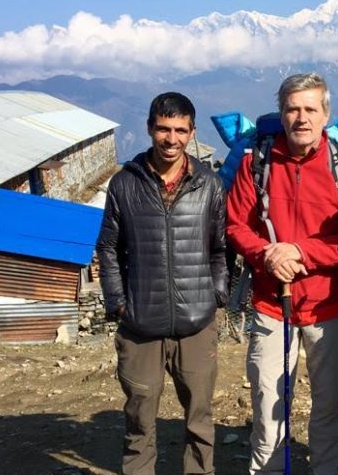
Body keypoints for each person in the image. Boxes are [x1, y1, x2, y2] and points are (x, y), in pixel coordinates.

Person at [226, 72, 338, 474]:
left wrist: (298, 252)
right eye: (292, 109)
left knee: (328, 403)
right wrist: (268, 255)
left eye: (310, 109)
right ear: (281, 113)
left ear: (325, 115)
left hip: (327, 305)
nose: (301, 118)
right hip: (272, 303)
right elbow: (236, 225)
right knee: (268, 402)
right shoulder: (257, 164)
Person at [96, 92, 229, 474]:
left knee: (200, 419)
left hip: (196, 323)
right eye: (163, 129)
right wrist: (119, 302)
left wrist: (216, 295)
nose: (172, 139)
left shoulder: (209, 185)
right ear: (149, 128)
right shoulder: (125, 185)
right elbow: (108, 248)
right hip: (140, 324)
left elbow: (221, 248)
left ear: (192, 132)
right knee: (139, 419)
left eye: (180, 130)